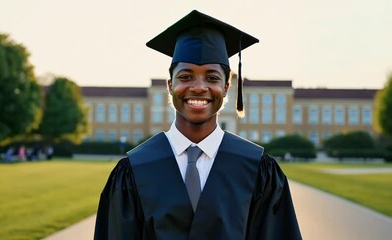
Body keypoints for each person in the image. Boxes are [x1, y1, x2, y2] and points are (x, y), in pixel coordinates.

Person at [94, 10, 301, 240]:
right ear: (170, 85)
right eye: (186, 76)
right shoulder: (133, 170)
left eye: (212, 78)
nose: (199, 87)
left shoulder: (258, 170)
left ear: (226, 86)